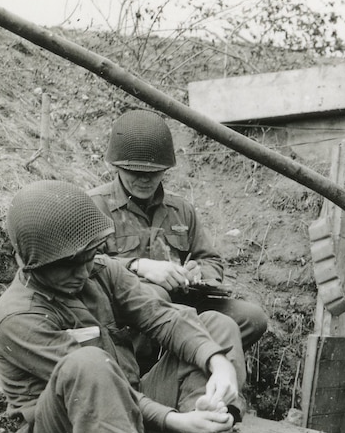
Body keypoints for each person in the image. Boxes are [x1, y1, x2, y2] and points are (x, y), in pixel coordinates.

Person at [0, 180, 246, 433]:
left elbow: (163, 317)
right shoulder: (18, 317)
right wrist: (174, 420)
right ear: (32, 265)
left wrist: (219, 364)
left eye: (88, 257)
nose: (83, 271)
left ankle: (207, 423)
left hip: (129, 420)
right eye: (68, 265)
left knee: (214, 328)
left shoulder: (97, 270)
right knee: (89, 363)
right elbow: (102, 386)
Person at [88, 109, 269, 357]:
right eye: (135, 172)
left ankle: (181, 369)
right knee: (155, 295)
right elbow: (86, 265)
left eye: (153, 173)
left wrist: (197, 274)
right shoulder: (94, 206)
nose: (144, 180)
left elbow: (211, 260)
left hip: (178, 304)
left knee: (251, 318)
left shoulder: (181, 210)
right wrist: (139, 266)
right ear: (117, 167)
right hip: (122, 309)